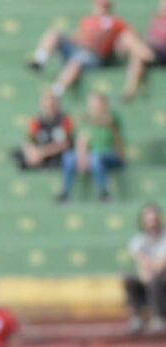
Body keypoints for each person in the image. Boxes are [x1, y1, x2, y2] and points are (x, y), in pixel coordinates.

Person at [26, 0, 153, 100]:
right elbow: (76, 37)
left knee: (76, 62)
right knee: (53, 33)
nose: (101, 8)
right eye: (99, 5)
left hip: (93, 56)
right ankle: (39, 61)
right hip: (77, 50)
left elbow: (128, 37)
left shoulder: (116, 23)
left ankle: (55, 92)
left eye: (104, 6)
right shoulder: (87, 21)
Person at [58, 92, 125, 203]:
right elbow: (81, 140)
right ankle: (65, 194)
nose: (94, 107)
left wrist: (87, 118)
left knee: (96, 158)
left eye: (97, 104)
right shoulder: (85, 120)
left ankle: (103, 193)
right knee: (68, 157)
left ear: (104, 104)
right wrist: (81, 158)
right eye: (92, 104)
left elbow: (107, 121)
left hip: (111, 155)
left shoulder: (112, 116)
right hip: (90, 156)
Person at [123, 202, 166, 334]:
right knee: (129, 278)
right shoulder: (137, 241)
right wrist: (146, 272)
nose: (152, 224)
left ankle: (159, 318)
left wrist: (149, 269)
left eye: (154, 220)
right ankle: (136, 319)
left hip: (162, 281)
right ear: (142, 223)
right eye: (148, 220)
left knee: (157, 281)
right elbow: (141, 263)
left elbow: (161, 265)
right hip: (148, 279)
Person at [12, 90, 74, 171]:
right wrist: (31, 153)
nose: (49, 108)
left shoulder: (64, 120)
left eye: (52, 105)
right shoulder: (36, 121)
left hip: (55, 154)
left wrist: (43, 153)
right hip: (39, 153)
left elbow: (65, 143)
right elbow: (28, 140)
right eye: (46, 105)